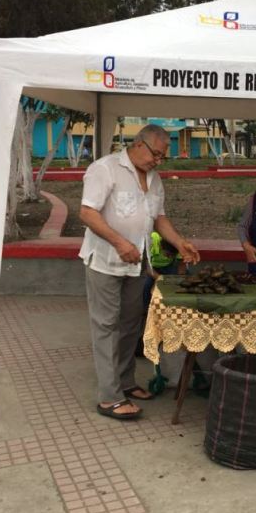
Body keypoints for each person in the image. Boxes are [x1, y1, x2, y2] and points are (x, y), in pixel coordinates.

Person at [79, 124, 200, 421]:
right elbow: (87, 212)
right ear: (138, 144)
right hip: (105, 261)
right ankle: (109, 397)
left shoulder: (155, 178)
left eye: (162, 157)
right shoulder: (105, 169)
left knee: (131, 324)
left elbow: (159, 219)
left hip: (136, 263)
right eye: (155, 154)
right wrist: (120, 242)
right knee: (106, 326)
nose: (158, 161)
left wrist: (180, 242)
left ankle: (126, 381)